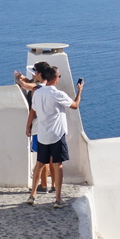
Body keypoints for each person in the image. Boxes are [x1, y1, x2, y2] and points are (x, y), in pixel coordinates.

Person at [26, 62, 84, 207]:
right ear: (55, 78)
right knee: (58, 166)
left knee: (40, 164)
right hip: (57, 135)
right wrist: (79, 91)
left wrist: (28, 127)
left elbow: (33, 111)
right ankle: (58, 199)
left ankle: (32, 195)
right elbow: (75, 105)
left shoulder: (37, 93)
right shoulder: (58, 94)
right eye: (59, 76)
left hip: (42, 134)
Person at [14, 68, 53, 194]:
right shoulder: (44, 86)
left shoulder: (37, 87)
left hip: (37, 125)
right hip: (44, 125)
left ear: (39, 74)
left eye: (34, 72)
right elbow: (27, 81)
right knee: (45, 156)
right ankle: (47, 184)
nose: (32, 74)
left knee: (41, 156)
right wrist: (21, 77)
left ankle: (43, 184)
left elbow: (26, 84)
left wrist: (17, 80)